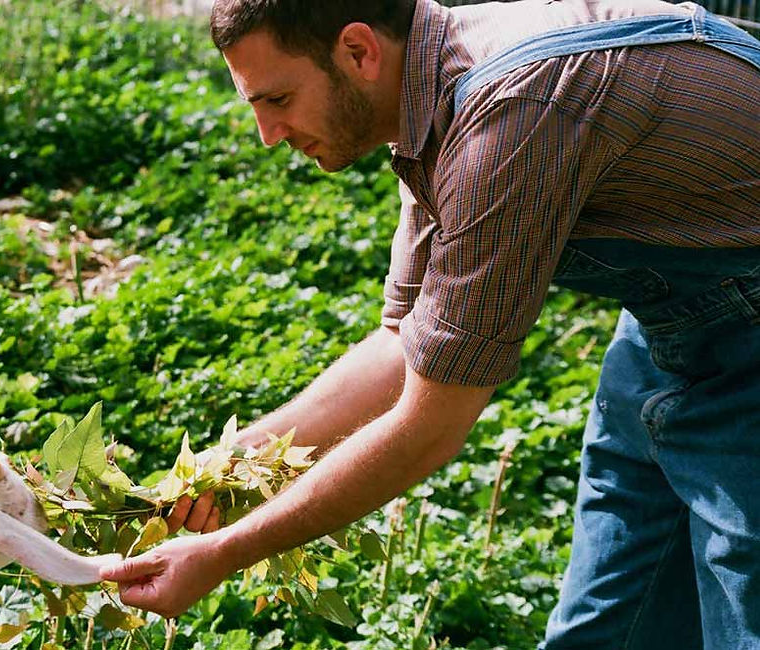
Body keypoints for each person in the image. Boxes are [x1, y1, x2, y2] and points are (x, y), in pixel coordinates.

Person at [99, 1, 760, 646]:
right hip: (672, 322)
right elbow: (400, 340)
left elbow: (429, 426)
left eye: (277, 101)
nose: (268, 136)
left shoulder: (510, 117)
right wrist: (228, 462)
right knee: (606, 626)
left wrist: (222, 553)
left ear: (359, 51)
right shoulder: (440, 98)